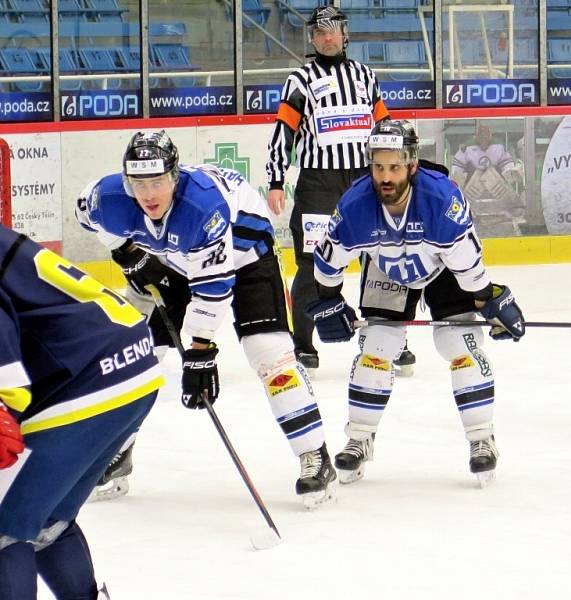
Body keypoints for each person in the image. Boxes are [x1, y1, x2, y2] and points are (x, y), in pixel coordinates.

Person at [76, 130, 337, 509]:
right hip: (178, 261)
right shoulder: (108, 197)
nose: (148, 194)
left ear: (175, 176)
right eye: (139, 182)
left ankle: (315, 456)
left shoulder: (202, 206)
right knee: (138, 357)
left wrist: (200, 348)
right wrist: (127, 251)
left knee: (270, 355)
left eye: (158, 181)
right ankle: (117, 451)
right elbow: (86, 217)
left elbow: (213, 289)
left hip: (249, 257)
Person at [305, 120, 526, 488]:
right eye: (378, 167)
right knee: (377, 347)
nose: (385, 177)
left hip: (443, 270)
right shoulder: (356, 205)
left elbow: (469, 271)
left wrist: (489, 301)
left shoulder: (442, 202)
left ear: (411, 165)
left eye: (394, 167)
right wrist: (329, 302)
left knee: (459, 346)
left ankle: (481, 438)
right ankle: (359, 437)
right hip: (386, 268)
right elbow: (327, 264)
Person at [0, 224, 162, 599]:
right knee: (48, 522)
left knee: (8, 528)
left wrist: (3, 403)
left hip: (83, 377)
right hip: (130, 366)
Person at [265, 5, 416, 377]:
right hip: (319, 184)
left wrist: (400, 170)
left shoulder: (366, 76)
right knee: (310, 264)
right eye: (320, 32)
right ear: (312, 38)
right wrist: (274, 179)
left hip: (366, 179)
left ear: (345, 34)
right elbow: (283, 132)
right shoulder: (299, 80)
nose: (328, 37)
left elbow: (385, 126)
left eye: (334, 30)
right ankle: (303, 345)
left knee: (384, 254)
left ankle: (386, 339)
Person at [450, 122, 523, 203]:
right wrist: (458, 179)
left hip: (498, 194)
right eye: (481, 134)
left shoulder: (500, 146)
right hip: (472, 195)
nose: (483, 137)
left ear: (490, 135)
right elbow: (456, 172)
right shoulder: (466, 147)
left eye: (486, 134)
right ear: (476, 136)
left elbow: (508, 168)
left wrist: (511, 173)